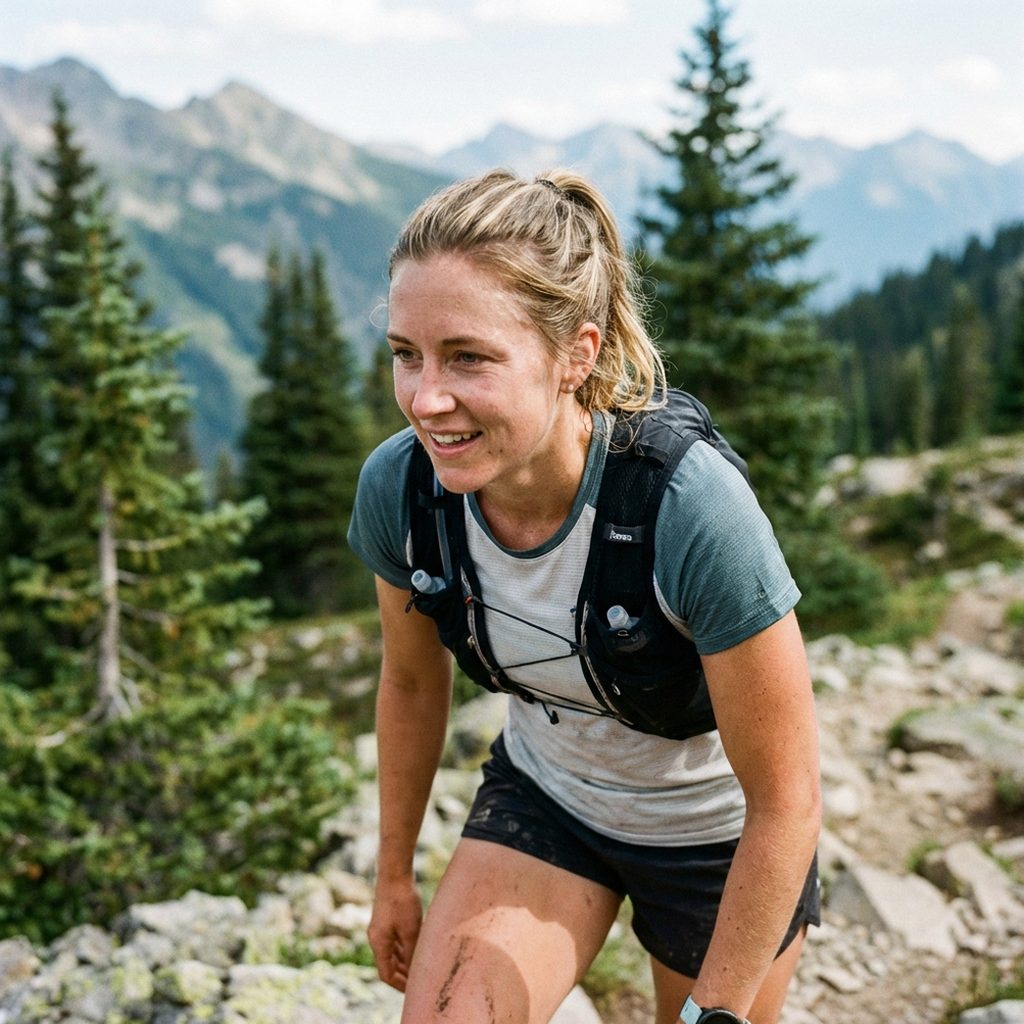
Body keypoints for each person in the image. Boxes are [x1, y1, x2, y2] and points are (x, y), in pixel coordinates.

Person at [347, 168, 821, 1024]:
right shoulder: (403, 490)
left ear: (578, 355)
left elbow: (787, 800)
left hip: (717, 835)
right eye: (405, 355)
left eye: (469, 358)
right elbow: (412, 685)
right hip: (550, 798)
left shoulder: (688, 508)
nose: (426, 399)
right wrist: (391, 878)